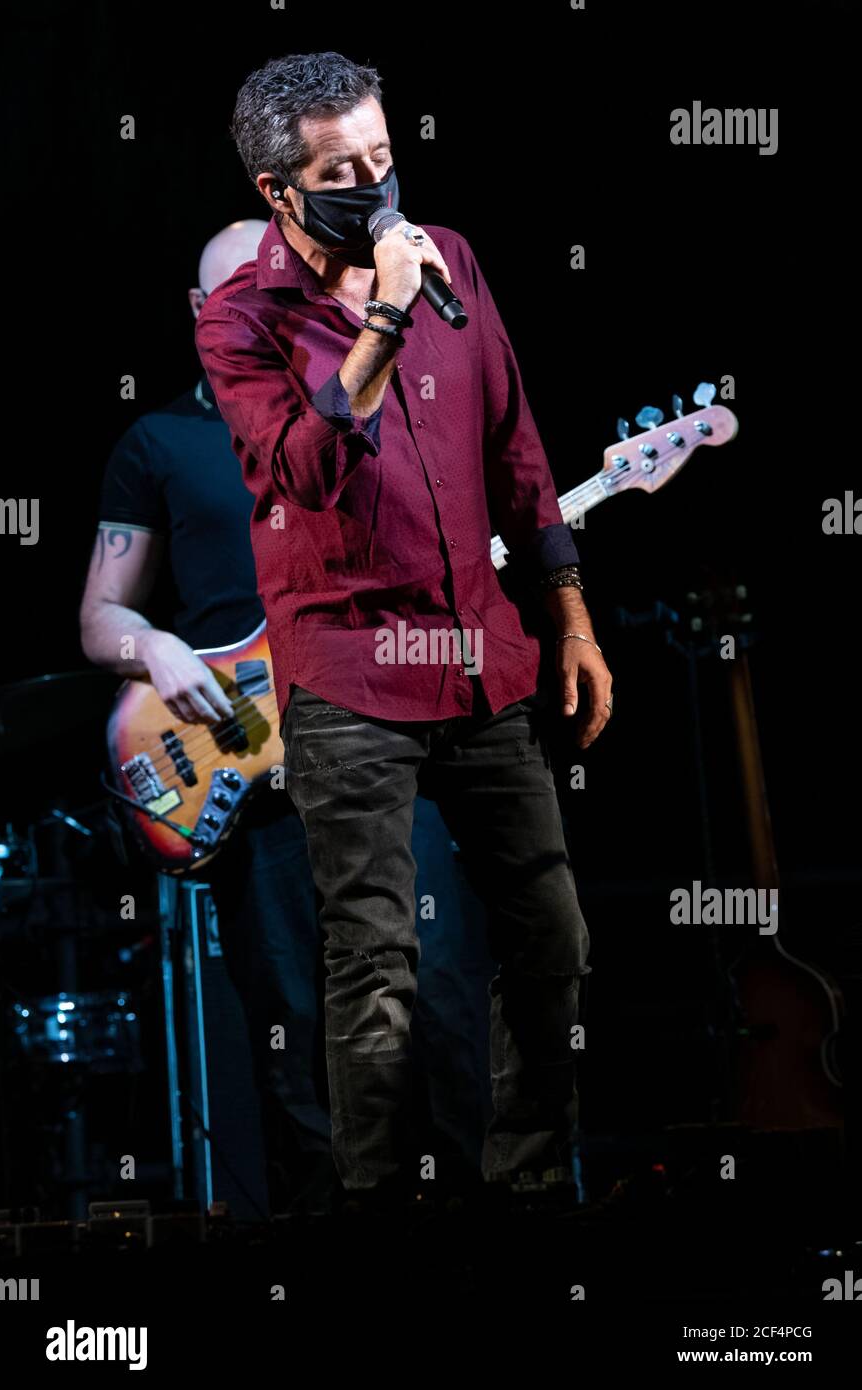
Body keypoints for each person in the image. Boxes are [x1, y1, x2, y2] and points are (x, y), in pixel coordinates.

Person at [195, 52, 614, 1206]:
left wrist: (567, 618)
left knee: (551, 940)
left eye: (385, 157)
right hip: (346, 677)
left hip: (483, 657)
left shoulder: (455, 261)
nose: (377, 187)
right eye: (344, 170)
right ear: (282, 191)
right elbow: (307, 472)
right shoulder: (241, 320)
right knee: (374, 963)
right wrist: (380, 316)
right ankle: (381, 1221)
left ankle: (529, 1190)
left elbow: (517, 450)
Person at [80, 219, 496, 1215]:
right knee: (295, 1024)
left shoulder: (376, 415)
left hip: (388, 752)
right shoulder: (159, 442)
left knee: (439, 1000)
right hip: (251, 779)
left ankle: (480, 1247)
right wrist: (158, 646)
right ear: (199, 312)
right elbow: (101, 615)